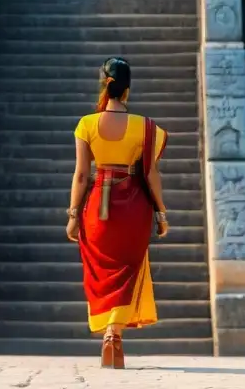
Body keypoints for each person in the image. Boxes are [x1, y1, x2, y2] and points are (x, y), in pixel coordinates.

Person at [65, 56, 170, 369]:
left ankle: (107, 333)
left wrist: (73, 215)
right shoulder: (145, 127)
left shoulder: (86, 124)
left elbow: (81, 175)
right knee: (129, 271)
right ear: (127, 90)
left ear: (104, 86)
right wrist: (161, 214)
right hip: (134, 208)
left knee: (101, 273)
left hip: (98, 208)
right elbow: (151, 174)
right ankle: (115, 333)